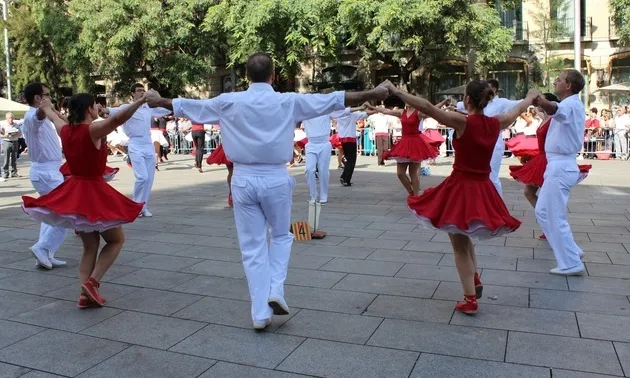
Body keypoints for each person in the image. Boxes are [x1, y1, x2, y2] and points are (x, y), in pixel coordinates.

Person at [145, 52, 388, 330]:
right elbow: (337, 99)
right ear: (273, 76)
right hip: (274, 177)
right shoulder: (288, 100)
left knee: (252, 247)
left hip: (243, 178)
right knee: (281, 236)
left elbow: (186, 106)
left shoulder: (229, 101)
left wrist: (156, 100)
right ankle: (276, 289)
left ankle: (260, 313)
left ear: (247, 76)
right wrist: (377, 91)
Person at [382, 79, 534, 315]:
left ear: (468, 100)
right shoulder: (496, 123)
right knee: (465, 234)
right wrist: (529, 97)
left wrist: (396, 91)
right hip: (483, 188)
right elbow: (516, 110)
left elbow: (426, 107)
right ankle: (474, 278)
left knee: (459, 244)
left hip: (462, 187)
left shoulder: (463, 122)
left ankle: (470, 299)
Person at [22, 93, 145, 308]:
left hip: (75, 191)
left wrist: (48, 107)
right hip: (93, 191)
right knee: (116, 240)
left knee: (90, 246)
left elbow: (54, 117)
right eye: (95, 105)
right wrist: (141, 102)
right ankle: (92, 282)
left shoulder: (66, 131)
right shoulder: (92, 130)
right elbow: (117, 120)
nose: (97, 107)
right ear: (89, 109)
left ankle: (85, 294)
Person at [509, 93, 592, 240]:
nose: (538, 107)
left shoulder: (555, 118)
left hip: (548, 160)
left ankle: (552, 228)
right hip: (541, 158)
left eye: (540, 104)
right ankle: (549, 226)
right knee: (531, 193)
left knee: (545, 197)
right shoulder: (546, 118)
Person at [533, 69, 588, 276]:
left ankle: (570, 262)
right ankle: (571, 251)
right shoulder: (571, 104)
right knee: (543, 212)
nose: (556, 81)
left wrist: (539, 99)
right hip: (557, 164)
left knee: (554, 215)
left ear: (568, 86)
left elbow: (553, 108)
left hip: (561, 164)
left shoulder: (570, 104)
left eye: (559, 80)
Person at [101, 84, 172, 218]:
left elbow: (166, 110)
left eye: (143, 90)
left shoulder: (148, 108)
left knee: (149, 179)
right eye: (139, 91)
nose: (142, 93)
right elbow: (109, 111)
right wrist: (100, 108)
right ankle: (135, 206)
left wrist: (160, 99)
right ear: (132, 94)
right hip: (135, 144)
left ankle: (143, 207)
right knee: (142, 177)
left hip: (148, 143)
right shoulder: (126, 108)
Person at [20, 83, 69, 269]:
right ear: (38, 98)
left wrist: (53, 111)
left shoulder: (43, 116)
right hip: (46, 173)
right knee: (65, 213)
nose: (50, 98)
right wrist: (46, 109)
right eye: (47, 95)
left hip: (50, 171)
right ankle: (43, 247)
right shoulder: (32, 116)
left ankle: (45, 253)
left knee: (51, 214)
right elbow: (39, 115)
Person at [456, 79, 521, 195]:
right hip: (478, 142)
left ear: (494, 90)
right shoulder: (476, 103)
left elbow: (518, 105)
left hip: (494, 143)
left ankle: (497, 204)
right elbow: (461, 104)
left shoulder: (502, 102)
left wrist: (533, 100)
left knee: (492, 177)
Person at [367, 104, 442, 196]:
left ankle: (415, 195)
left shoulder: (418, 113)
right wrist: (371, 106)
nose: (407, 101)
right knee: (400, 173)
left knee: (413, 173)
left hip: (415, 143)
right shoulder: (402, 112)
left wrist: (444, 102)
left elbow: (431, 109)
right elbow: (385, 111)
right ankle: (411, 192)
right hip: (404, 142)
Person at [334, 106, 370, 186]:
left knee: (348, 159)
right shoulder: (352, 115)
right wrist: (374, 109)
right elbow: (366, 114)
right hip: (350, 139)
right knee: (351, 160)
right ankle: (346, 179)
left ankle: (344, 176)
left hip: (343, 139)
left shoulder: (339, 114)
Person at [1, 112, 21, 180]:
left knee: (14, 158)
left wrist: (17, 134)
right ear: (6, 118)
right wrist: (5, 135)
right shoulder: (3, 125)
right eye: (9, 118)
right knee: (6, 158)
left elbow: (20, 134)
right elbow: (1, 135)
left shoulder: (16, 125)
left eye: (12, 118)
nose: (11, 119)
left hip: (15, 142)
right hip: (7, 142)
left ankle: (14, 172)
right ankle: (5, 172)